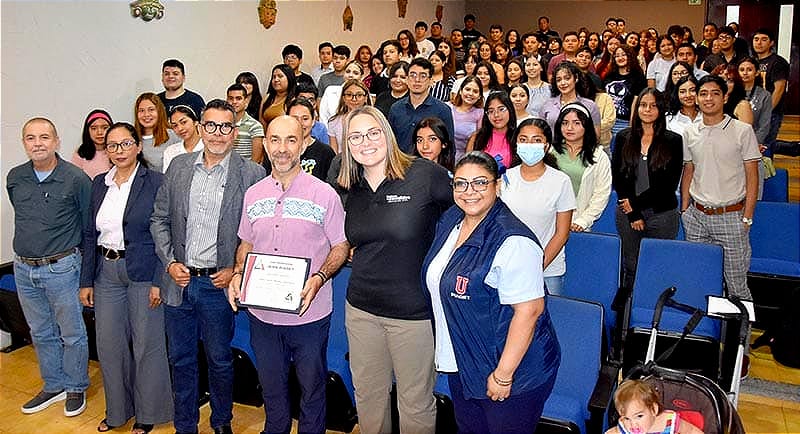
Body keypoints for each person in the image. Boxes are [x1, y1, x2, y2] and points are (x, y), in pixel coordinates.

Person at [422, 150, 560, 433]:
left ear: (497, 186)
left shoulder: (513, 241)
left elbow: (529, 311)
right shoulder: (451, 221)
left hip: (511, 370)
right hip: (465, 358)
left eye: (480, 183)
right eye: (461, 183)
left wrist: (504, 375)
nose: (469, 191)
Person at [227, 115, 349, 434]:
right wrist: (239, 272)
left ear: (303, 143)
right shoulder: (253, 194)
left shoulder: (325, 194)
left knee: (311, 390)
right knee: (273, 390)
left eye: (290, 140)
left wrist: (319, 278)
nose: (282, 148)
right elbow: (247, 241)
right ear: (265, 145)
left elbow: (340, 247)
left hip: (309, 315)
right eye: (275, 140)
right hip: (262, 316)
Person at [151, 99, 266, 434]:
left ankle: (221, 423)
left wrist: (236, 268)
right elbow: (159, 220)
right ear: (201, 128)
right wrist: (170, 262)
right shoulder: (178, 167)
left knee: (219, 361)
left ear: (235, 132)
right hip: (179, 281)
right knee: (181, 360)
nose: (218, 133)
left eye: (226, 126)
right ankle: (185, 425)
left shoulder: (251, 174)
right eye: (211, 125)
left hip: (218, 285)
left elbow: (258, 231)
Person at [337, 106, 453, 434]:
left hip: (412, 314)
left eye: (373, 132)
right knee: (369, 398)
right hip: (360, 309)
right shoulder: (351, 187)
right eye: (355, 136)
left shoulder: (424, 174)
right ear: (347, 145)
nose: (365, 142)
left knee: (414, 403)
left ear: (387, 134)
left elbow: (468, 210)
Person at [78, 122, 172, 434]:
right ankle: (118, 412)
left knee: (147, 344)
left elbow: (166, 233)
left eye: (125, 144)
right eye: (112, 145)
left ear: (138, 146)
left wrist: (161, 278)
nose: (119, 151)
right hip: (106, 272)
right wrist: (85, 280)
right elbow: (89, 234)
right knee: (109, 344)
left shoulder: (156, 181)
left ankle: (148, 413)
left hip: (144, 272)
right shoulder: (99, 184)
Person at [7, 117, 91, 417]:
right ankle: (53, 385)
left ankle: (76, 387)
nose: (38, 143)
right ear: (24, 143)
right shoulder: (15, 177)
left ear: (56, 142)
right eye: (31, 138)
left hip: (62, 268)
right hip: (24, 268)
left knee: (72, 333)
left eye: (44, 137)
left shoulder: (76, 178)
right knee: (40, 332)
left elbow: (86, 226)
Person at [680, 76, 760, 347]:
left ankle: (742, 348)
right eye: (703, 93)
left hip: (731, 216)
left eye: (715, 93)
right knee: (701, 281)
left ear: (725, 97)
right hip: (697, 217)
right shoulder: (690, 131)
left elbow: (752, 174)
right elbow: (688, 169)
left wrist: (747, 216)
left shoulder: (741, 130)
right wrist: (684, 210)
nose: (708, 98)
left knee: (737, 286)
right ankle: (706, 341)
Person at [612, 89, 683, 289]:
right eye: (643, 105)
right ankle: (628, 312)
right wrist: (633, 212)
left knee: (658, 265)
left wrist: (634, 203)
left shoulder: (673, 140)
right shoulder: (624, 137)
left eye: (653, 105)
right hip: (627, 213)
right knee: (631, 264)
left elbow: (668, 184)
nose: (648, 109)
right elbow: (619, 177)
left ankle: (653, 310)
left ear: (661, 109)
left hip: (662, 213)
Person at [502, 119, 575, 295]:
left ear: (546, 145)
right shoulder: (505, 178)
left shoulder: (560, 181)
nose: (529, 145)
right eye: (524, 139)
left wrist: (537, 266)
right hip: (508, 269)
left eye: (536, 140)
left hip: (547, 271)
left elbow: (562, 233)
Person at [551, 103, 612, 232]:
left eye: (576, 123)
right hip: (549, 221)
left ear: (586, 126)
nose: (569, 128)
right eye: (565, 123)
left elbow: (601, 194)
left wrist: (584, 220)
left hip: (578, 223)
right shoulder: (550, 152)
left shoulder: (599, 156)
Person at [388, 57, 455, 154]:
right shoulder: (396, 109)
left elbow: (449, 146)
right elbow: (390, 143)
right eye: (413, 75)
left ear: (431, 81)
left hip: (430, 166)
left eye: (423, 76)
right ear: (407, 79)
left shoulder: (443, 110)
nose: (417, 80)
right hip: (400, 165)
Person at [606, 380, 703, 434]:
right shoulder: (625, 428)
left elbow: (691, 430)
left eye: (639, 416)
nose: (633, 424)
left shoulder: (668, 421)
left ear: (653, 410)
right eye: (627, 418)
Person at [539, 62, 602, 138]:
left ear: (576, 78)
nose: (563, 83)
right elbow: (541, 132)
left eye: (567, 78)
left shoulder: (590, 105)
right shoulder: (548, 104)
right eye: (559, 80)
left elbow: (596, 136)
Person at [752, 28, 789, 156]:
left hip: (771, 113)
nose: (759, 43)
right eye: (756, 39)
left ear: (771, 43)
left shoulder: (778, 62)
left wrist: (766, 112)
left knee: (766, 147)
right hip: (753, 111)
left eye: (764, 39)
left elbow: (779, 89)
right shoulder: (752, 62)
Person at [286, 98, 336, 180]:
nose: (300, 123)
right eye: (295, 119)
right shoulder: (279, 150)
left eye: (305, 119)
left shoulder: (326, 152)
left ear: (313, 121)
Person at [604, 45, 647, 136]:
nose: (620, 58)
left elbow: (636, 103)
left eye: (623, 55)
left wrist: (631, 126)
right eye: (617, 56)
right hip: (607, 121)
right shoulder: (609, 75)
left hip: (624, 122)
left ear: (630, 56)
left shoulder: (638, 76)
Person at [467, 91, 516, 168]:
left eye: (501, 109)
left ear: (510, 109)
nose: (496, 115)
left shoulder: (518, 136)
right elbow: (468, 167)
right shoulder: (477, 137)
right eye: (491, 111)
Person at [135, 92, 180, 173]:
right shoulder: (133, 139)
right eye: (141, 110)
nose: (146, 114)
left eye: (151, 109)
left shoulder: (173, 136)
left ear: (159, 111)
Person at [327, 78, 372, 154]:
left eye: (359, 95)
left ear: (366, 98)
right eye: (349, 95)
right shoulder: (334, 122)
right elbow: (334, 152)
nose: (354, 99)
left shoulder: (373, 120)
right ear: (343, 98)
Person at [448, 75, 484, 160]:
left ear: (479, 96)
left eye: (475, 91)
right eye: (467, 89)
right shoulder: (448, 108)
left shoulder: (480, 113)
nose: (470, 94)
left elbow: (475, 142)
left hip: (464, 158)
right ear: (460, 91)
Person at [227, 83, 265, 163]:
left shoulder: (255, 126)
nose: (234, 102)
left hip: (245, 172)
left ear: (246, 101)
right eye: (231, 98)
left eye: (238, 98)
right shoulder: (221, 125)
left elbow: (256, 160)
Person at [319, 60, 365, 125]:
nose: (350, 75)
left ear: (361, 76)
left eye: (355, 73)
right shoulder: (330, 91)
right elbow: (323, 117)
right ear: (343, 73)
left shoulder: (364, 94)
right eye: (348, 72)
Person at [71, 109, 113, 179]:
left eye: (105, 128)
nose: (99, 132)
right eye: (94, 128)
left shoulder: (118, 151)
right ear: (87, 131)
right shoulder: (81, 153)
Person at [163, 105, 204, 172]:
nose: (180, 128)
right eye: (175, 125)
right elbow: (168, 179)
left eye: (184, 122)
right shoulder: (170, 151)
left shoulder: (208, 147)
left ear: (195, 122)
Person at [261, 64, 297, 132]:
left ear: (289, 78)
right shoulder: (267, 97)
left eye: (280, 76)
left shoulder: (293, 101)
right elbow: (261, 121)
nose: (276, 79)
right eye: (274, 77)